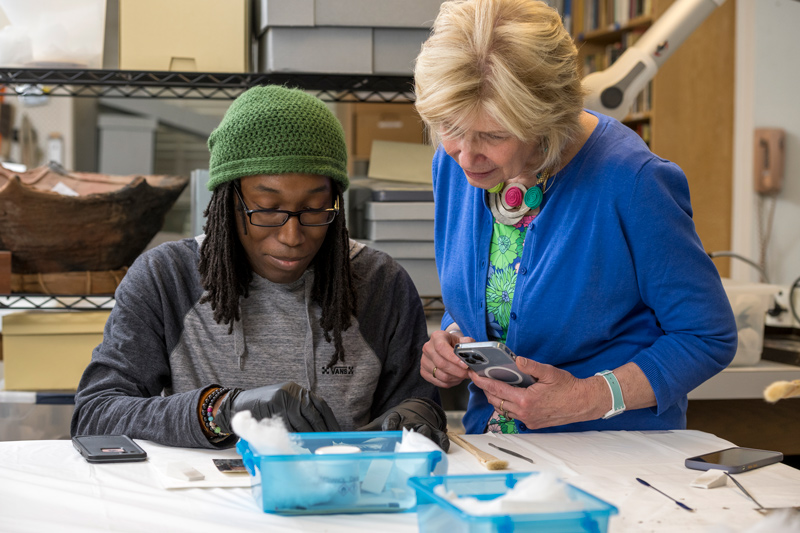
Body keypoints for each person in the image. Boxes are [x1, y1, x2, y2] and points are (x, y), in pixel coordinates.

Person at [413, 0, 737, 435]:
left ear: (546, 118)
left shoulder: (632, 181)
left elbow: (706, 337)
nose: (466, 157)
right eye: (449, 127)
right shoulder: (452, 166)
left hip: (616, 463)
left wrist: (586, 398)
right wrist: (453, 339)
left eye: (493, 135)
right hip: (496, 454)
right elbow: (494, 302)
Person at [71, 85, 448, 449]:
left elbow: (417, 412)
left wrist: (418, 415)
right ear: (226, 203)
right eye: (267, 210)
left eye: (316, 209)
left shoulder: (380, 284)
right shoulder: (166, 279)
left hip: (344, 503)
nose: (292, 235)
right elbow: (95, 414)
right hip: (198, 507)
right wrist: (223, 410)